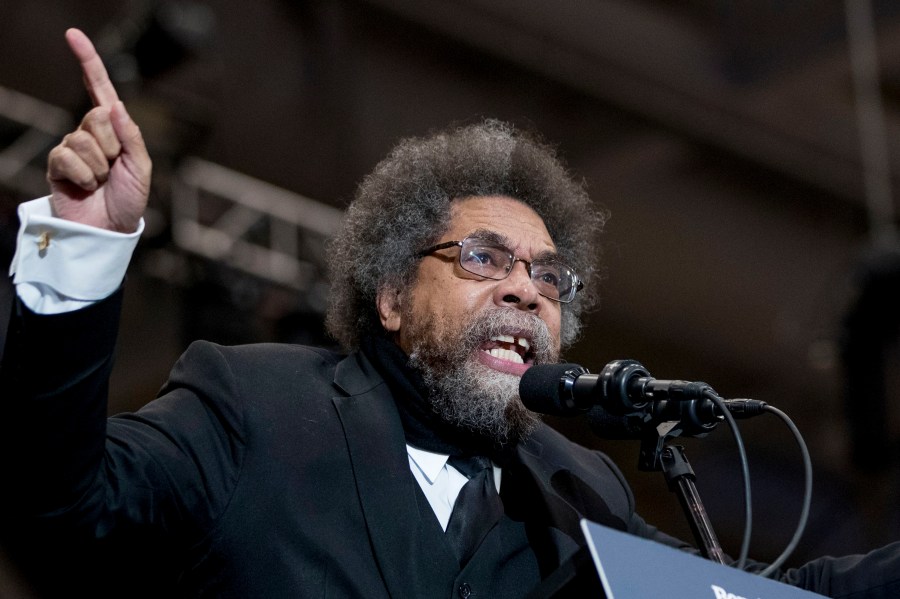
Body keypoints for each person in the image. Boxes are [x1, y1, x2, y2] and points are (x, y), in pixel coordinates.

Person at [1, 28, 899, 599]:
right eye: (483, 258)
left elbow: (756, 595)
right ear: (391, 294)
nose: (525, 290)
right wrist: (81, 251)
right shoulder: (256, 403)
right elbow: (59, 508)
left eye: (549, 278)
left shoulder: (581, 488)